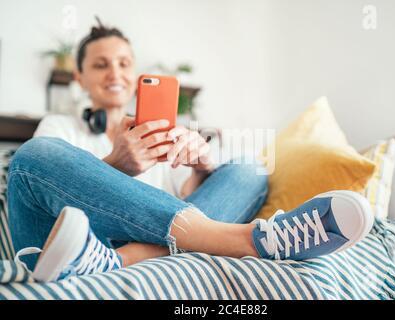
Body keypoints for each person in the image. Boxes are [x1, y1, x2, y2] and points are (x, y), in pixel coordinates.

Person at [8, 20, 374, 282]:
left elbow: (191, 195)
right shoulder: (61, 127)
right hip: (68, 243)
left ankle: (120, 262)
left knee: (247, 169)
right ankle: (248, 239)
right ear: (80, 77)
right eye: (100, 65)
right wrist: (114, 165)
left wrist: (202, 166)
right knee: (34, 157)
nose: (113, 73)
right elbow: (44, 195)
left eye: (123, 63)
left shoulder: (164, 132)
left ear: (134, 72)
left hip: (144, 240)